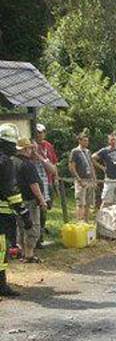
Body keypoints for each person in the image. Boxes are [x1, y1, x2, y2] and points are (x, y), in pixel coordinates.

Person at [0, 123, 33, 297]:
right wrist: (24, 213)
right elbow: (10, 191)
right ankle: (1, 285)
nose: (15, 148)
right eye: (12, 144)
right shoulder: (5, 162)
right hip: (1, 216)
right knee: (0, 251)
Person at [12, 138, 47, 263]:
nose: (32, 150)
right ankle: (29, 255)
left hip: (16, 201)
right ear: (26, 149)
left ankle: (22, 253)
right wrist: (42, 200)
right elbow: (34, 185)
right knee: (32, 227)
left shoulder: (12, 162)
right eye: (31, 148)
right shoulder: (27, 164)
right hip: (29, 201)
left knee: (21, 227)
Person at [35, 124, 58, 246]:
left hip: (48, 181)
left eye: (42, 132)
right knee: (40, 208)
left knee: (47, 207)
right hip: (37, 182)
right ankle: (38, 237)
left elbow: (54, 163)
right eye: (38, 132)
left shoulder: (48, 146)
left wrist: (56, 180)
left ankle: (41, 232)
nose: (40, 134)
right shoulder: (33, 146)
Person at [93, 132, 116, 207]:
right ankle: (102, 217)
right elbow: (92, 158)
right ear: (109, 141)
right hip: (110, 178)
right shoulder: (105, 150)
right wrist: (102, 167)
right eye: (111, 140)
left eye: (114, 139)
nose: (113, 141)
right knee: (106, 201)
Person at [69, 132, 97, 221]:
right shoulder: (75, 151)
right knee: (80, 202)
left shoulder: (88, 151)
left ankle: (86, 220)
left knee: (88, 202)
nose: (86, 143)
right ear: (79, 141)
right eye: (84, 141)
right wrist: (78, 179)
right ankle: (79, 221)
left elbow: (91, 165)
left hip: (89, 180)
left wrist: (94, 179)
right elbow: (71, 167)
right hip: (81, 180)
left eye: (87, 141)